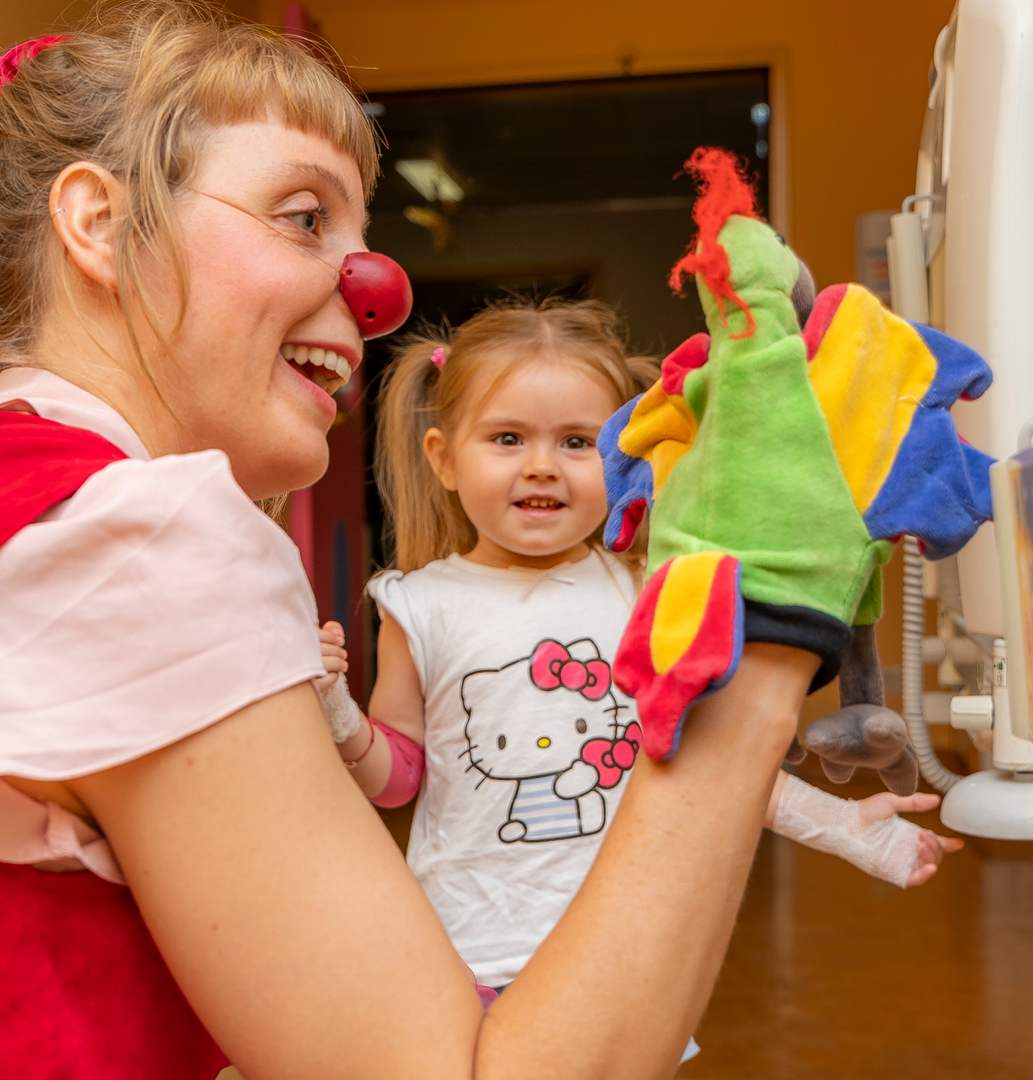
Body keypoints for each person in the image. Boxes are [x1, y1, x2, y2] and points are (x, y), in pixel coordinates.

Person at [0, 5, 855, 1078]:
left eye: (364, 236)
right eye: (305, 216)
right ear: (96, 221)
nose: (372, 293)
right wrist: (766, 640)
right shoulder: (144, 533)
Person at [321, 299, 962, 1029]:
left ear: (625, 456)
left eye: (576, 442)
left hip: (627, 947)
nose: (541, 467)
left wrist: (845, 828)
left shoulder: (648, 592)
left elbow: (710, 765)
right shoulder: (418, 606)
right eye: (506, 438)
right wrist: (337, 711)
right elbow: (396, 782)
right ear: (443, 457)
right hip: (466, 953)